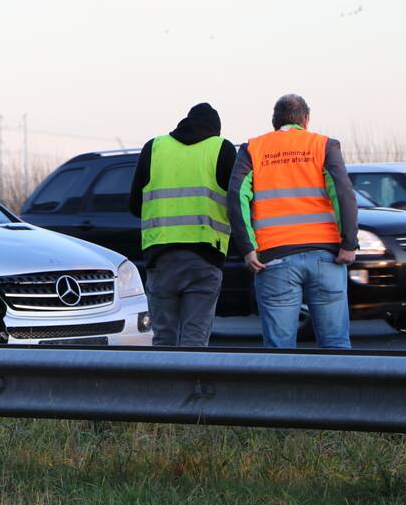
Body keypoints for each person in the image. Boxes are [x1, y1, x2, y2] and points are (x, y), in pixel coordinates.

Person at [226, 94, 358, 349]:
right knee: (336, 344)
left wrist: (247, 247)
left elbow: (236, 196)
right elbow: (343, 193)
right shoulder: (324, 145)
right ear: (306, 121)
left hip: (273, 259)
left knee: (279, 349)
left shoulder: (253, 149)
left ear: (274, 121)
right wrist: (349, 243)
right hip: (326, 257)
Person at [128, 103, 236, 346]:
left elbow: (134, 204)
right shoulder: (222, 149)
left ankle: (163, 384)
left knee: (164, 338)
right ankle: (191, 384)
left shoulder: (154, 147)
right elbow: (238, 204)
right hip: (206, 258)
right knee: (194, 339)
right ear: (215, 131)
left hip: (161, 258)